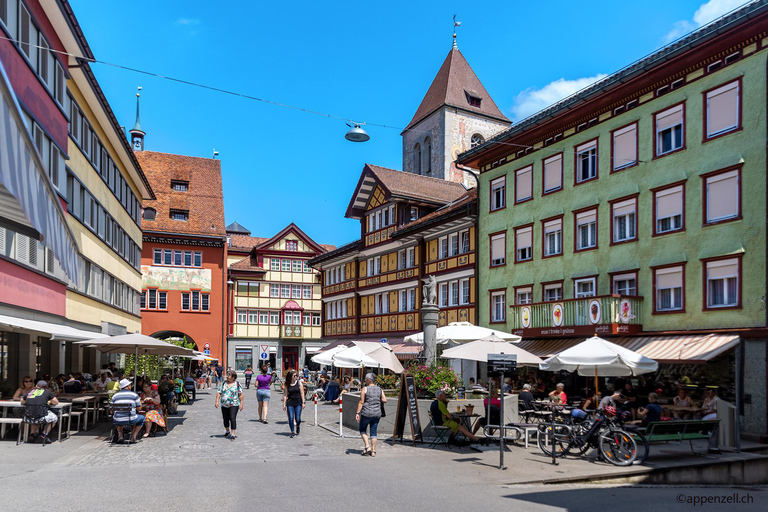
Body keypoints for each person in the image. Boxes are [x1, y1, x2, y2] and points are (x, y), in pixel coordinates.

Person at [356, 373, 387, 457]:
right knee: (373, 432)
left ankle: (367, 447)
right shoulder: (380, 389)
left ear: (369, 380)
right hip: (377, 413)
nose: (365, 381)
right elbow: (384, 400)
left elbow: (361, 402)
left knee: (362, 429)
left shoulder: (365, 389)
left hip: (366, 413)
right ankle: (373, 451)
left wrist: (357, 413)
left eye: (365, 379)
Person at [111, 378, 145, 444]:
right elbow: (139, 409)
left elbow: (111, 411)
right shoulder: (134, 395)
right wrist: (140, 402)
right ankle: (134, 436)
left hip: (117, 420)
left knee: (120, 418)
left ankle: (120, 436)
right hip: (130, 419)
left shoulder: (115, 396)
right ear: (128, 386)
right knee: (142, 418)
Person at [215, 370, 243, 440]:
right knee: (225, 418)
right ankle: (227, 431)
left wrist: (241, 404)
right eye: (227, 375)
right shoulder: (223, 383)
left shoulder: (237, 384)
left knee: (232, 418)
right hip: (224, 404)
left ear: (233, 377)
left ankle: (233, 433)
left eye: (229, 375)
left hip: (234, 403)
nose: (227, 376)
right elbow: (219, 392)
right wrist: (217, 401)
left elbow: (241, 395)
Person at [282, 370, 305, 438]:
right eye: (294, 376)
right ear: (290, 377)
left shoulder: (299, 383)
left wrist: (303, 402)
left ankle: (298, 426)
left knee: (298, 418)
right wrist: (284, 404)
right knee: (291, 418)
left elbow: (302, 393)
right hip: (290, 403)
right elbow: (285, 394)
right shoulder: (287, 384)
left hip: (298, 402)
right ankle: (292, 431)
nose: (296, 377)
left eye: (296, 375)